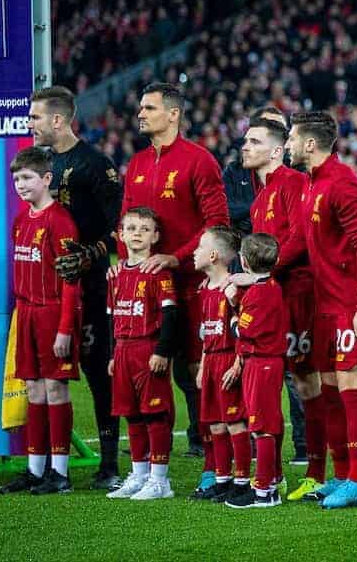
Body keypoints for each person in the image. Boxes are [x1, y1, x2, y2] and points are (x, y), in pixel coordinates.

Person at [119, 81, 229, 476]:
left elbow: (218, 224)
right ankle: (150, 468)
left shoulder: (199, 161)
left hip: (192, 286)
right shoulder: (136, 164)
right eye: (141, 109)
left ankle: (218, 461)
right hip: (147, 290)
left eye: (149, 108)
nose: (141, 115)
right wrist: (124, 267)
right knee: (153, 370)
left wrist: (176, 257)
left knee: (201, 373)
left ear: (173, 113)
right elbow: (126, 223)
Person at [284, 111, 357, 509]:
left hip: (347, 305)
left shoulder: (342, 184)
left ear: (310, 143)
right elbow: (300, 244)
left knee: (349, 389)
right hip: (324, 304)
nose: (287, 144)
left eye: (291, 138)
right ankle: (340, 475)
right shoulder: (311, 184)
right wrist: (258, 272)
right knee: (328, 391)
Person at [29, 86, 125, 488]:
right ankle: (47, 465)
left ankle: (109, 464)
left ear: (57, 119)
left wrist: (91, 254)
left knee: (97, 372)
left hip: (90, 286)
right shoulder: (42, 163)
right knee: (47, 375)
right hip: (50, 288)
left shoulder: (95, 164)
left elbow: (119, 225)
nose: (29, 123)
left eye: (35, 117)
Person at [239, 112, 321, 500]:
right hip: (274, 294)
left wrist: (265, 273)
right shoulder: (261, 195)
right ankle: (272, 473)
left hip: (297, 293)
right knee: (273, 379)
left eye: (254, 141)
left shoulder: (292, 183)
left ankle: (317, 467)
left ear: (276, 150)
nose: (245, 146)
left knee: (305, 380)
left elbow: (302, 236)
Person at [0, 148, 81, 496]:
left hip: (51, 313)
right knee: (33, 388)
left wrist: (65, 328)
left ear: (46, 179)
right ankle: (35, 471)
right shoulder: (21, 220)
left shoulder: (60, 220)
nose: (20, 184)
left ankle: (59, 474)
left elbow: (70, 280)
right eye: (16, 179)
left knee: (54, 388)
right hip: (27, 314)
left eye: (28, 178)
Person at [105, 207, 180, 501]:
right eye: (131, 228)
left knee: (155, 414)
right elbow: (112, 318)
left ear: (156, 236)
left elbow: (171, 314)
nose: (137, 233)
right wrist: (112, 354)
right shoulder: (115, 274)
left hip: (148, 349)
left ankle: (160, 480)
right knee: (131, 415)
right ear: (120, 235)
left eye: (145, 229)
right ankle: (138, 475)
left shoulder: (158, 273)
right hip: (123, 350)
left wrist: (162, 351)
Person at [226, 233, 287, 509]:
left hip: (260, 363)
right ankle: (270, 482)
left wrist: (233, 312)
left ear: (242, 261)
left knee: (261, 427)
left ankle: (263, 491)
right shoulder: (272, 286)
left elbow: (244, 331)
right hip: (268, 362)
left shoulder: (257, 295)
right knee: (267, 424)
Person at [191, 227, 251, 503]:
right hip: (212, 361)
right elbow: (206, 334)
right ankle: (222, 479)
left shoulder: (232, 289)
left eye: (200, 246)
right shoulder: (204, 291)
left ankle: (241, 481)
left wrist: (238, 365)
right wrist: (203, 366)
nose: (194, 251)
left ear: (213, 255)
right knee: (215, 425)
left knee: (234, 423)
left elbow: (244, 332)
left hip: (229, 360)